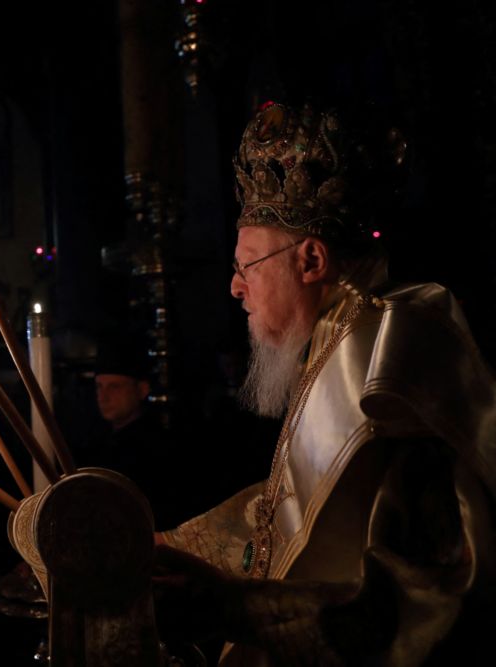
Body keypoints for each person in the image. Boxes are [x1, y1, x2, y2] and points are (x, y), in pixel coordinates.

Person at [152, 102, 496, 665]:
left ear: (311, 260)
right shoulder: (333, 342)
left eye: (248, 266)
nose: (235, 289)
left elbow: (428, 600)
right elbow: (283, 515)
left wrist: (234, 610)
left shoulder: (395, 364)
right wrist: (169, 547)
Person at [82, 341, 205, 530]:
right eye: (99, 386)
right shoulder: (94, 441)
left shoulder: (159, 449)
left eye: (114, 387)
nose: (103, 396)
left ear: (141, 390)